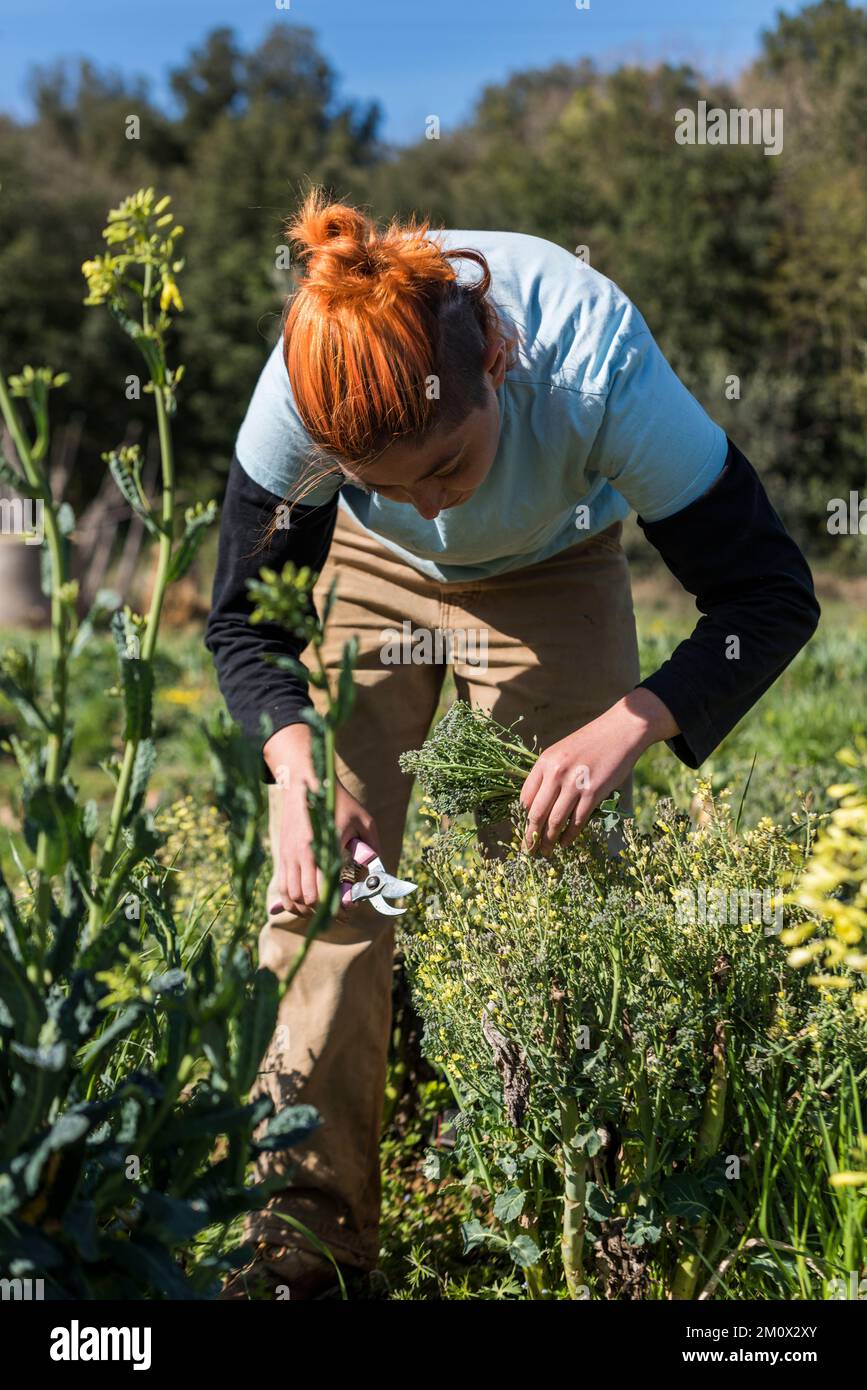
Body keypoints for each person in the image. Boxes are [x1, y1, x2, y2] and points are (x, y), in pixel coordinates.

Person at [205, 190, 819, 1298]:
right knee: (325, 894)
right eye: (392, 484)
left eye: (447, 466)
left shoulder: (595, 364)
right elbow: (245, 621)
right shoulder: (301, 408)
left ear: (494, 357)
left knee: (555, 880)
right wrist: (293, 765)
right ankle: (305, 1244)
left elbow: (768, 595)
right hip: (367, 578)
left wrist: (630, 723)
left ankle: (561, 1213)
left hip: (555, 563)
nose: (435, 510)